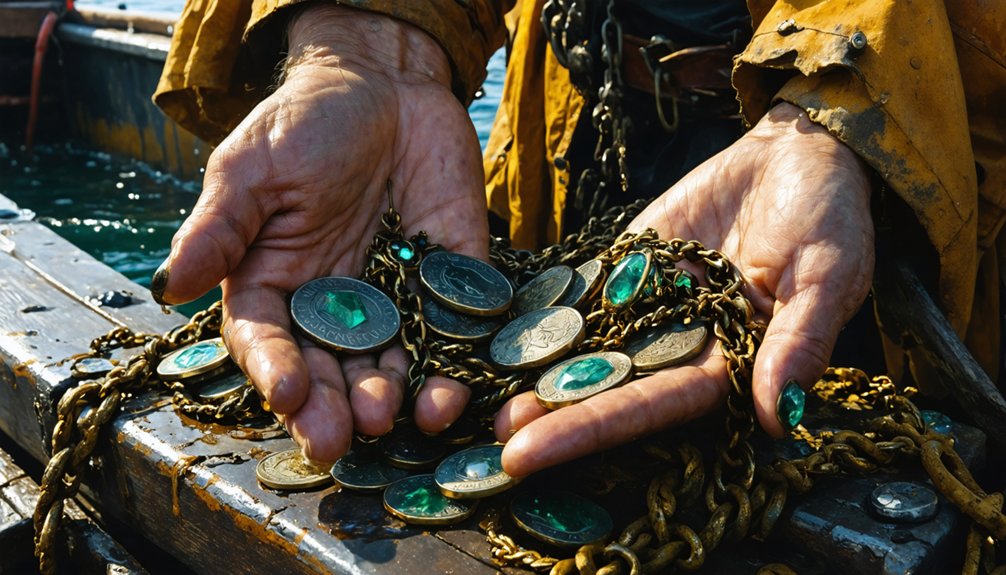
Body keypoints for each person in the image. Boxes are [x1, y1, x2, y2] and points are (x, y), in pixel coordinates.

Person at [150, 0, 1004, 477]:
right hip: (575, 113)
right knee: (527, 414)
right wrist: (370, 38)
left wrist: (834, 119)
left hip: (862, 165)